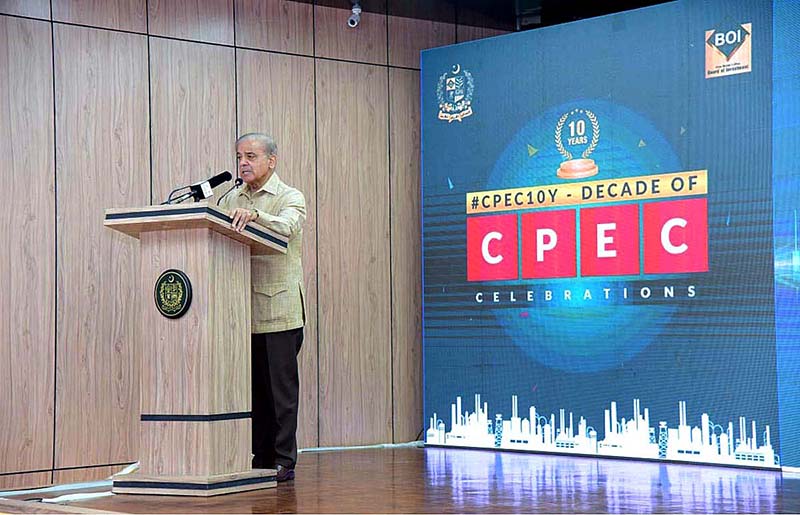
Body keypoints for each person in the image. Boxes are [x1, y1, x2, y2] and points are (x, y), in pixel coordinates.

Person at [220, 132, 306, 483]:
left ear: (272, 160)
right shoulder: (231, 197)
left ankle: (284, 460)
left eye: (251, 156)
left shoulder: (290, 196)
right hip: (242, 312)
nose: (243, 163)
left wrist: (255, 215)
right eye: (240, 156)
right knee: (255, 391)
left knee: (281, 392)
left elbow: (288, 226)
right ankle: (261, 457)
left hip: (280, 310)